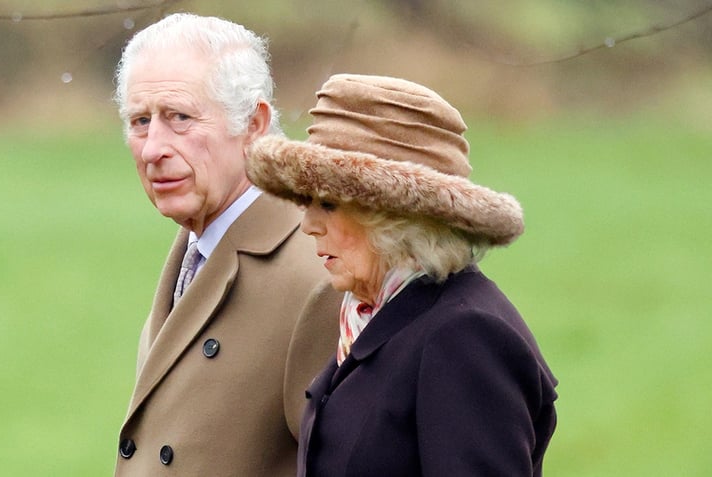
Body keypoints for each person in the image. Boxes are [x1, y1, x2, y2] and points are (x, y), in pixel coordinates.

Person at [246, 74, 559, 476]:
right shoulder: (373, 316)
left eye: (327, 203)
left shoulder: (465, 335)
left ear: (392, 216)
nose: (307, 224)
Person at [111, 13, 340, 476]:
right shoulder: (196, 244)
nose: (153, 147)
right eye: (140, 121)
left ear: (254, 124)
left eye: (179, 117)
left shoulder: (316, 274)